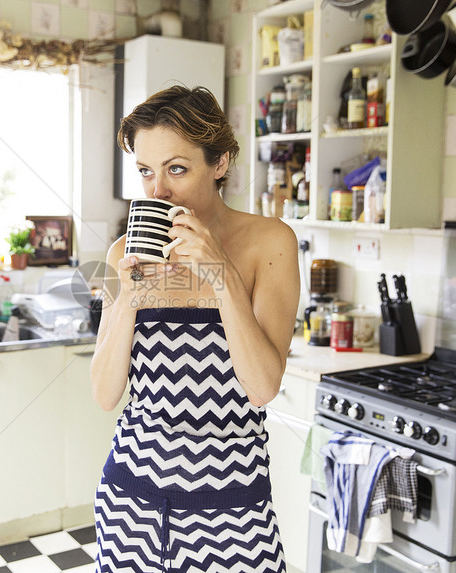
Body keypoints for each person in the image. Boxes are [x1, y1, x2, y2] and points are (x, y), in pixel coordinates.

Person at [90, 85, 300, 572]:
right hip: (131, 507)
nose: (158, 191)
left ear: (220, 162)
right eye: (146, 171)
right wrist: (128, 302)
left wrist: (221, 273)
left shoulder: (270, 243)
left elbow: (263, 387)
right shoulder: (123, 254)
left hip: (233, 517)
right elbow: (104, 395)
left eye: (177, 169)